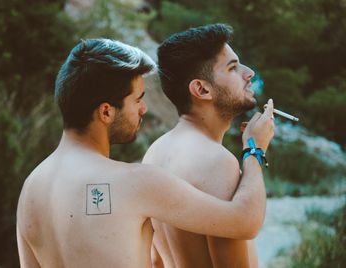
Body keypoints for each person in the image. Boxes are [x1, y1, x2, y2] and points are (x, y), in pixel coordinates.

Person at [16, 38, 274, 268]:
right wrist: (254, 148)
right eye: (137, 99)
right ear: (106, 112)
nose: (143, 109)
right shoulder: (135, 182)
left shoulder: (31, 190)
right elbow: (245, 221)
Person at [143, 24, 275, 268]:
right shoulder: (215, 161)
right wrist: (254, 149)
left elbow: (155, 260)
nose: (250, 73)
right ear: (202, 89)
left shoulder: (155, 152)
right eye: (233, 67)